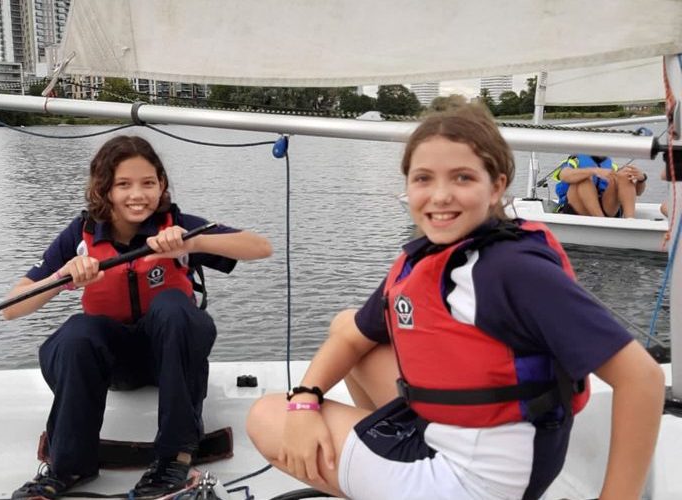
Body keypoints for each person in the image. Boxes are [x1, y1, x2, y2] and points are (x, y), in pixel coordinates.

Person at [247, 105, 665, 500]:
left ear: (496, 185)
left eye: (462, 178)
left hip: (480, 480)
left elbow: (641, 379)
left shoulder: (511, 270)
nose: (440, 195)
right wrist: (305, 401)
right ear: (407, 187)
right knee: (351, 329)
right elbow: (350, 334)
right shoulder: (430, 258)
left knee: (266, 416)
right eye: (423, 178)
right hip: (461, 436)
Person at [3, 135, 272, 499]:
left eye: (148, 183)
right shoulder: (79, 235)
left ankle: (174, 459)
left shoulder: (177, 227)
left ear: (161, 185)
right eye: (123, 184)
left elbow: (260, 247)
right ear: (105, 189)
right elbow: (12, 307)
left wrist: (193, 244)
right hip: (113, 367)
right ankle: (67, 466)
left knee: (174, 307)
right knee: (76, 332)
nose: (138, 195)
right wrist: (60, 277)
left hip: (172, 358)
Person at [553, 154, 648, 218]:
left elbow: (638, 193)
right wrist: (593, 171)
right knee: (584, 180)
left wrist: (642, 179)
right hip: (577, 207)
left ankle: (630, 221)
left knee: (624, 175)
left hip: (606, 207)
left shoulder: (611, 166)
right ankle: (601, 221)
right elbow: (564, 176)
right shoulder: (574, 160)